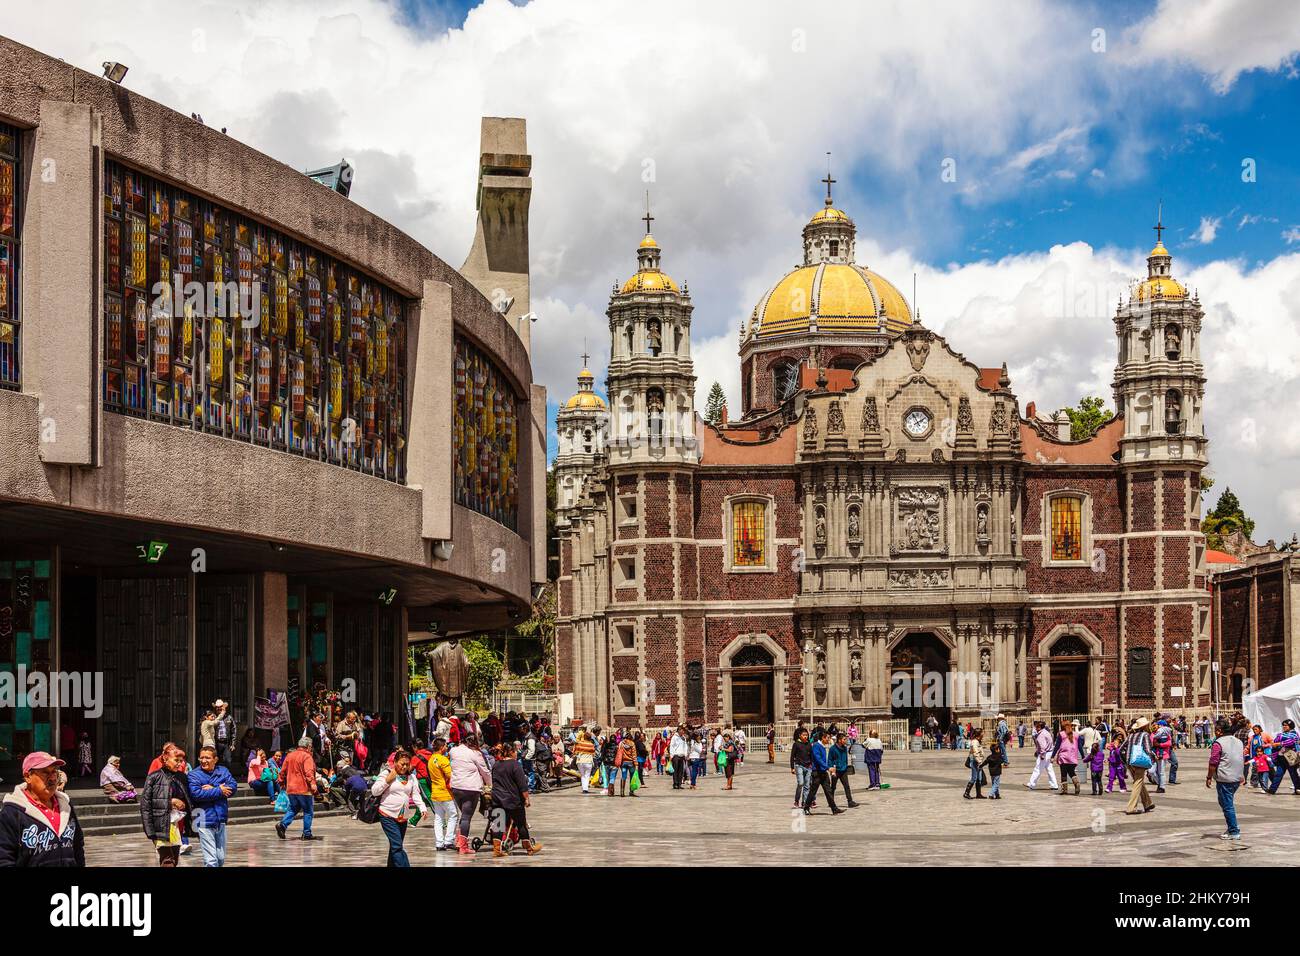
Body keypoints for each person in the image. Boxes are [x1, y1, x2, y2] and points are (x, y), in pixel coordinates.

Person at [0, 752, 84, 866]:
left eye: (54, 771)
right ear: (28, 776)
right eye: (45, 772)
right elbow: (4, 858)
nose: (53, 778)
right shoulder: (11, 812)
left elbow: (78, 846)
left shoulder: (66, 806)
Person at [371, 748, 428, 867]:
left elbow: (416, 794)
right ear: (396, 762)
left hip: (403, 817)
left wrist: (422, 808)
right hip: (387, 814)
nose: (404, 767)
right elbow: (375, 791)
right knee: (397, 846)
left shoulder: (411, 778)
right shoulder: (387, 773)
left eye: (407, 764)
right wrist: (387, 781)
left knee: (395, 846)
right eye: (402, 764)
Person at [141, 744, 193, 866]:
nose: (179, 764)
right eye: (176, 760)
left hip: (177, 825)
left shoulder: (182, 777)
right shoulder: (154, 777)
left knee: (174, 859)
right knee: (167, 860)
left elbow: (188, 799)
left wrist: (183, 804)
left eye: (181, 761)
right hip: (160, 825)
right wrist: (171, 802)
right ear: (165, 758)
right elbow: (146, 804)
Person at [188, 745, 238, 867]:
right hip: (203, 818)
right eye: (201, 758)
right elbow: (197, 794)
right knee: (211, 860)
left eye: (207, 758)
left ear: (215, 759)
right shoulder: (194, 775)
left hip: (220, 817)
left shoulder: (223, 771)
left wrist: (213, 789)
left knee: (220, 858)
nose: (204, 761)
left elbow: (233, 786)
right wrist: (220, 790)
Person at [489, 743, 542, 856]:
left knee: (498, 824)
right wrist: (526, 799)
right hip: (513, 800)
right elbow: (522, 785)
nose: (517, 754)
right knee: (521, 824)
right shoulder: (515, 765)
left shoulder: (496, 765)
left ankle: (497, 850)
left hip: (497, 799)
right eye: (515, 751)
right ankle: (529, 848)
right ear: (511, 752)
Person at [449, 733, 491, 855]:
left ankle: (458, 841)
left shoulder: (453, 751)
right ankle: (463, 846)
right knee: (467, 817)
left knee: (463, 815)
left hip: (456, 787)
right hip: (470, 788)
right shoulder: (475, 754)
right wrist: (490, 784)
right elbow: (485, 771)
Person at [1207, 718, 1247, 840]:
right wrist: (1242, 775)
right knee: (1225, 802)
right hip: (1236, 777)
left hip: (1225, 777)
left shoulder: (1218, 743)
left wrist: (1209, 777)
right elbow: (1240, 759)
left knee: (1227, 805)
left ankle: (1234, 831)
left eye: (1215, 730)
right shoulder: (1238, 741)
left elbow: (1213, 762)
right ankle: (1231, 827)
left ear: (1219, 731)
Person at [275, 737, 321, 842]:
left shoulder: (290, 755)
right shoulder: (307, 756)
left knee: (293, 809)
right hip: (304, 789)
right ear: (308, 746)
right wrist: (313, 786)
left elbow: (282, 771)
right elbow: (309, 773)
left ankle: (282, 825)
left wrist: (281, 782)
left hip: (291, 788)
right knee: (308, 811)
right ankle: (307, 833)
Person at [425, 738, 458, 850]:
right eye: (445, 746)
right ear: (441, 747)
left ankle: (439, 843)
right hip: (445, 793)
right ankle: (449, 840)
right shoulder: (443, 760)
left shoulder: (431, 759)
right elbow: (450, 776)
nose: (447, 748)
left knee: (438, 818)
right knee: (453, 815)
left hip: (435, 793)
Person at [804, 730, 843, 815]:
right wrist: (828, 767)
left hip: (823, 772)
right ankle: (806, 807)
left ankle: (834, 808)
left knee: (828, 791)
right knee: (813, 791)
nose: (829, 740)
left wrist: (828, 767)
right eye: (827, 738)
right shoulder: (816, 746)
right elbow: (818, 759)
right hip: (817, 772)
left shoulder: (822, 746)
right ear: (823, 738)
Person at [1124, 717, 1156, 815]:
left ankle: (1147, 803)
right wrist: (1154, 756)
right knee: (1137, 783)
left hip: (1130, 762)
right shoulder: (1145, 735)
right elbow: (1147, 749)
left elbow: (1121, 748)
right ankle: (1131, 808)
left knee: (1139, 782)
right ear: (1145, 726)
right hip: (1139, 762)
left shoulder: (1131, 735)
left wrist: (1126, 760)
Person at [1264, 719, 1299, 795]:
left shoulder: (1294, 734)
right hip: (1281, 758)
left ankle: (1298, 789)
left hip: (1290, 758)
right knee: (1278, 774)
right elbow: (1275, 741)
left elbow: (1291, 742)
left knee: (1293, 774)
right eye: (1283, 725)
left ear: (1290, 726)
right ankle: (1272, 790)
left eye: (1286, 725)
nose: (1284, 726)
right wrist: (1277, 743)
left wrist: (1279, 743)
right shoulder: (1281, 734)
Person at [1026, 720, 1058, 791]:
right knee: (1050, 769)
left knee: (1037, 768)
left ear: (1040, 727)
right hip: (1049, 752)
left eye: (1037, 727)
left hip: (1045, 753)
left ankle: (1032, 783)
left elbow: (1042, 746)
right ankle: (1054, 784)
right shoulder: (1046, 732)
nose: (1036, 728)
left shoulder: (1041, 735)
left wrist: (1042, 754)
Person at [828, 732, 859, 807]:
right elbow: (829, 759)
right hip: (835, 770)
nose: (845, 741)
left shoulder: (844, 748)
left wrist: (845, 766)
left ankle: (850, 801)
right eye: (844, 739)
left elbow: (845, 759)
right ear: (839, 740)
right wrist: (831, 769)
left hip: (843, 770)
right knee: (833, 787)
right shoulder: (832, 749)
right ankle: (831, 802)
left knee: (847, 786)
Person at [1054, 720, 1081, 796]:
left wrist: (1053, 756)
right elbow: (1080, 746)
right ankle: (1077, 784)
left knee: (1064, 774)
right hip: (1073, 757)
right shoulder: (1076, 735)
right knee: (1072, 772)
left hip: (1064, 757)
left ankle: (1064, 790)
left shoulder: (1061, 734)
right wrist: (1083, 755)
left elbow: (1057, 746)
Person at [790, 728, 814, 808]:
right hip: (799, 765)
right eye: (804, 735)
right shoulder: (796, 744)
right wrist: (792, 768)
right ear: (800, 736)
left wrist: (812, 766)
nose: (805, 736)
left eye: (806, 735)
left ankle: (804, 802)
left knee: (807, 785)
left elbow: (811, 756)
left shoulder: (809, 744)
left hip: (808, 767)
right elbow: (792, 756)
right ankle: (796, 800)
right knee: (801, 783)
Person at [212, 699, 237, 769]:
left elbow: (233, 730)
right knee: (216, 761)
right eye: (217, 707)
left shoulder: (229, 717)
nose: (219, 708)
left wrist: (233, 744)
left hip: (226, 743)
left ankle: (226, 776)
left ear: (223, 707)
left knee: (228, 761)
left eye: (220, 707)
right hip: (216, 743)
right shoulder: (213, 717)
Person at [964, 728, 987, 799]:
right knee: (974, 778)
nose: (983, 734)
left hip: (978, 762)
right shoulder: (974, 742)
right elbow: (975, 752)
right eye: (982, 733)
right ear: (979, 734)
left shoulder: (977, 741)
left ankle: (978, 794)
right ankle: (966, 793)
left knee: (979, 778)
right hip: (975, 762)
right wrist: (979, 762)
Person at [573, 729, 597, 794]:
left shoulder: (580, 743)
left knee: (582, 775)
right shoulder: (591, 744)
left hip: (580, 761)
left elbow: (575, 751)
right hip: (588, 761)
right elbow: (593, 753)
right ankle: (585, 789)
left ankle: (584, 788)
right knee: (587, 775)